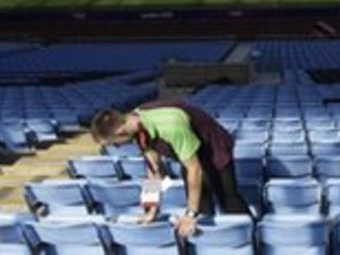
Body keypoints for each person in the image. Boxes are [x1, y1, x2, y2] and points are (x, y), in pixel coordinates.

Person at [91, 101, 249, 237]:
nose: (117, 147)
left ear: (120, 133)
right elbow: (154, 171)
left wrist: (190, 213)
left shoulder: (171, 124)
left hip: (214, 148)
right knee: (200, 206)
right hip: (187, 152)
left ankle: (248, 236)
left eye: (114, 143)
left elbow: (195, 170)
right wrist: (151, 210)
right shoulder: (136, 126)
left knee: (229, 201)